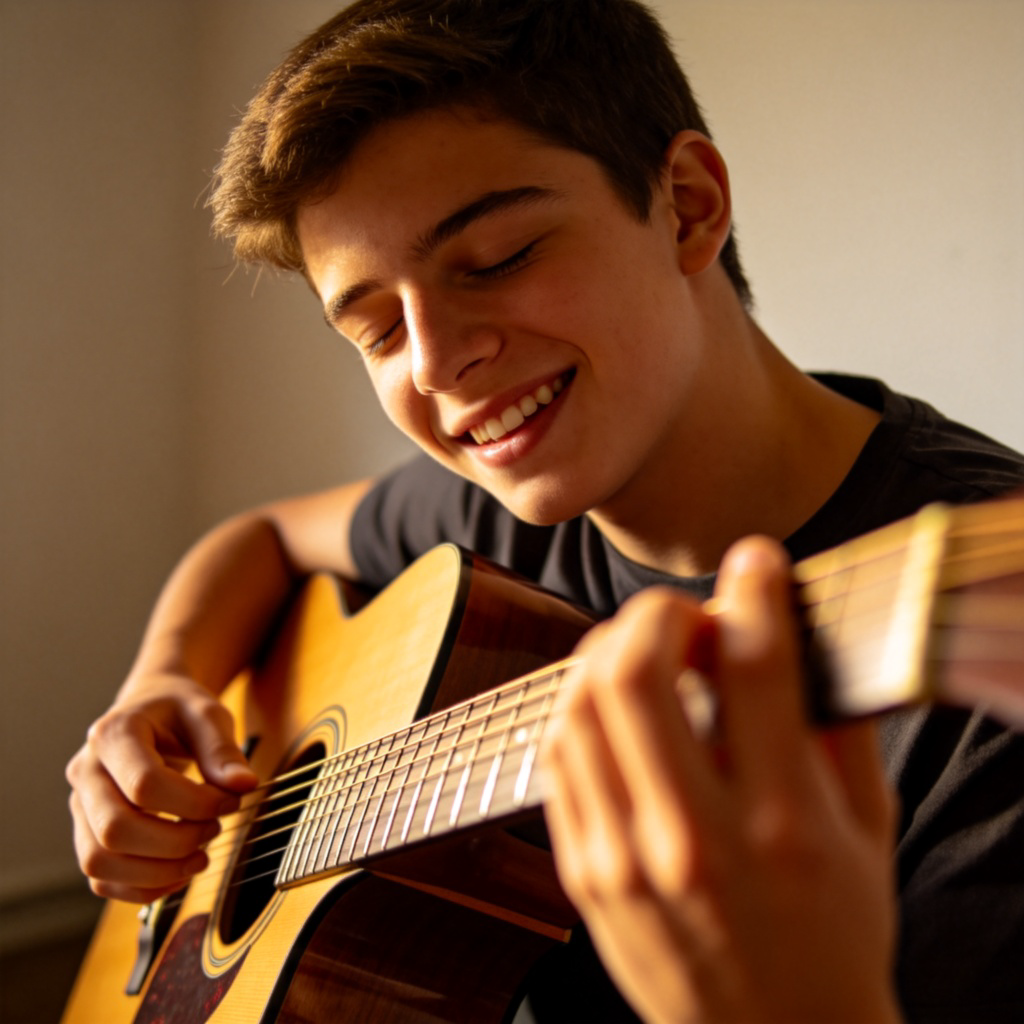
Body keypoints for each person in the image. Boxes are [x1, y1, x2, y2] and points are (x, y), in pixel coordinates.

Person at [65, 1, 1024, 1020]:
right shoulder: (499, 519)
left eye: (497, 258)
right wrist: (160, 681)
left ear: (689, 206)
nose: (436, 364)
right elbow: (257, 538)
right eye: (380, 329)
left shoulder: (980, 675)